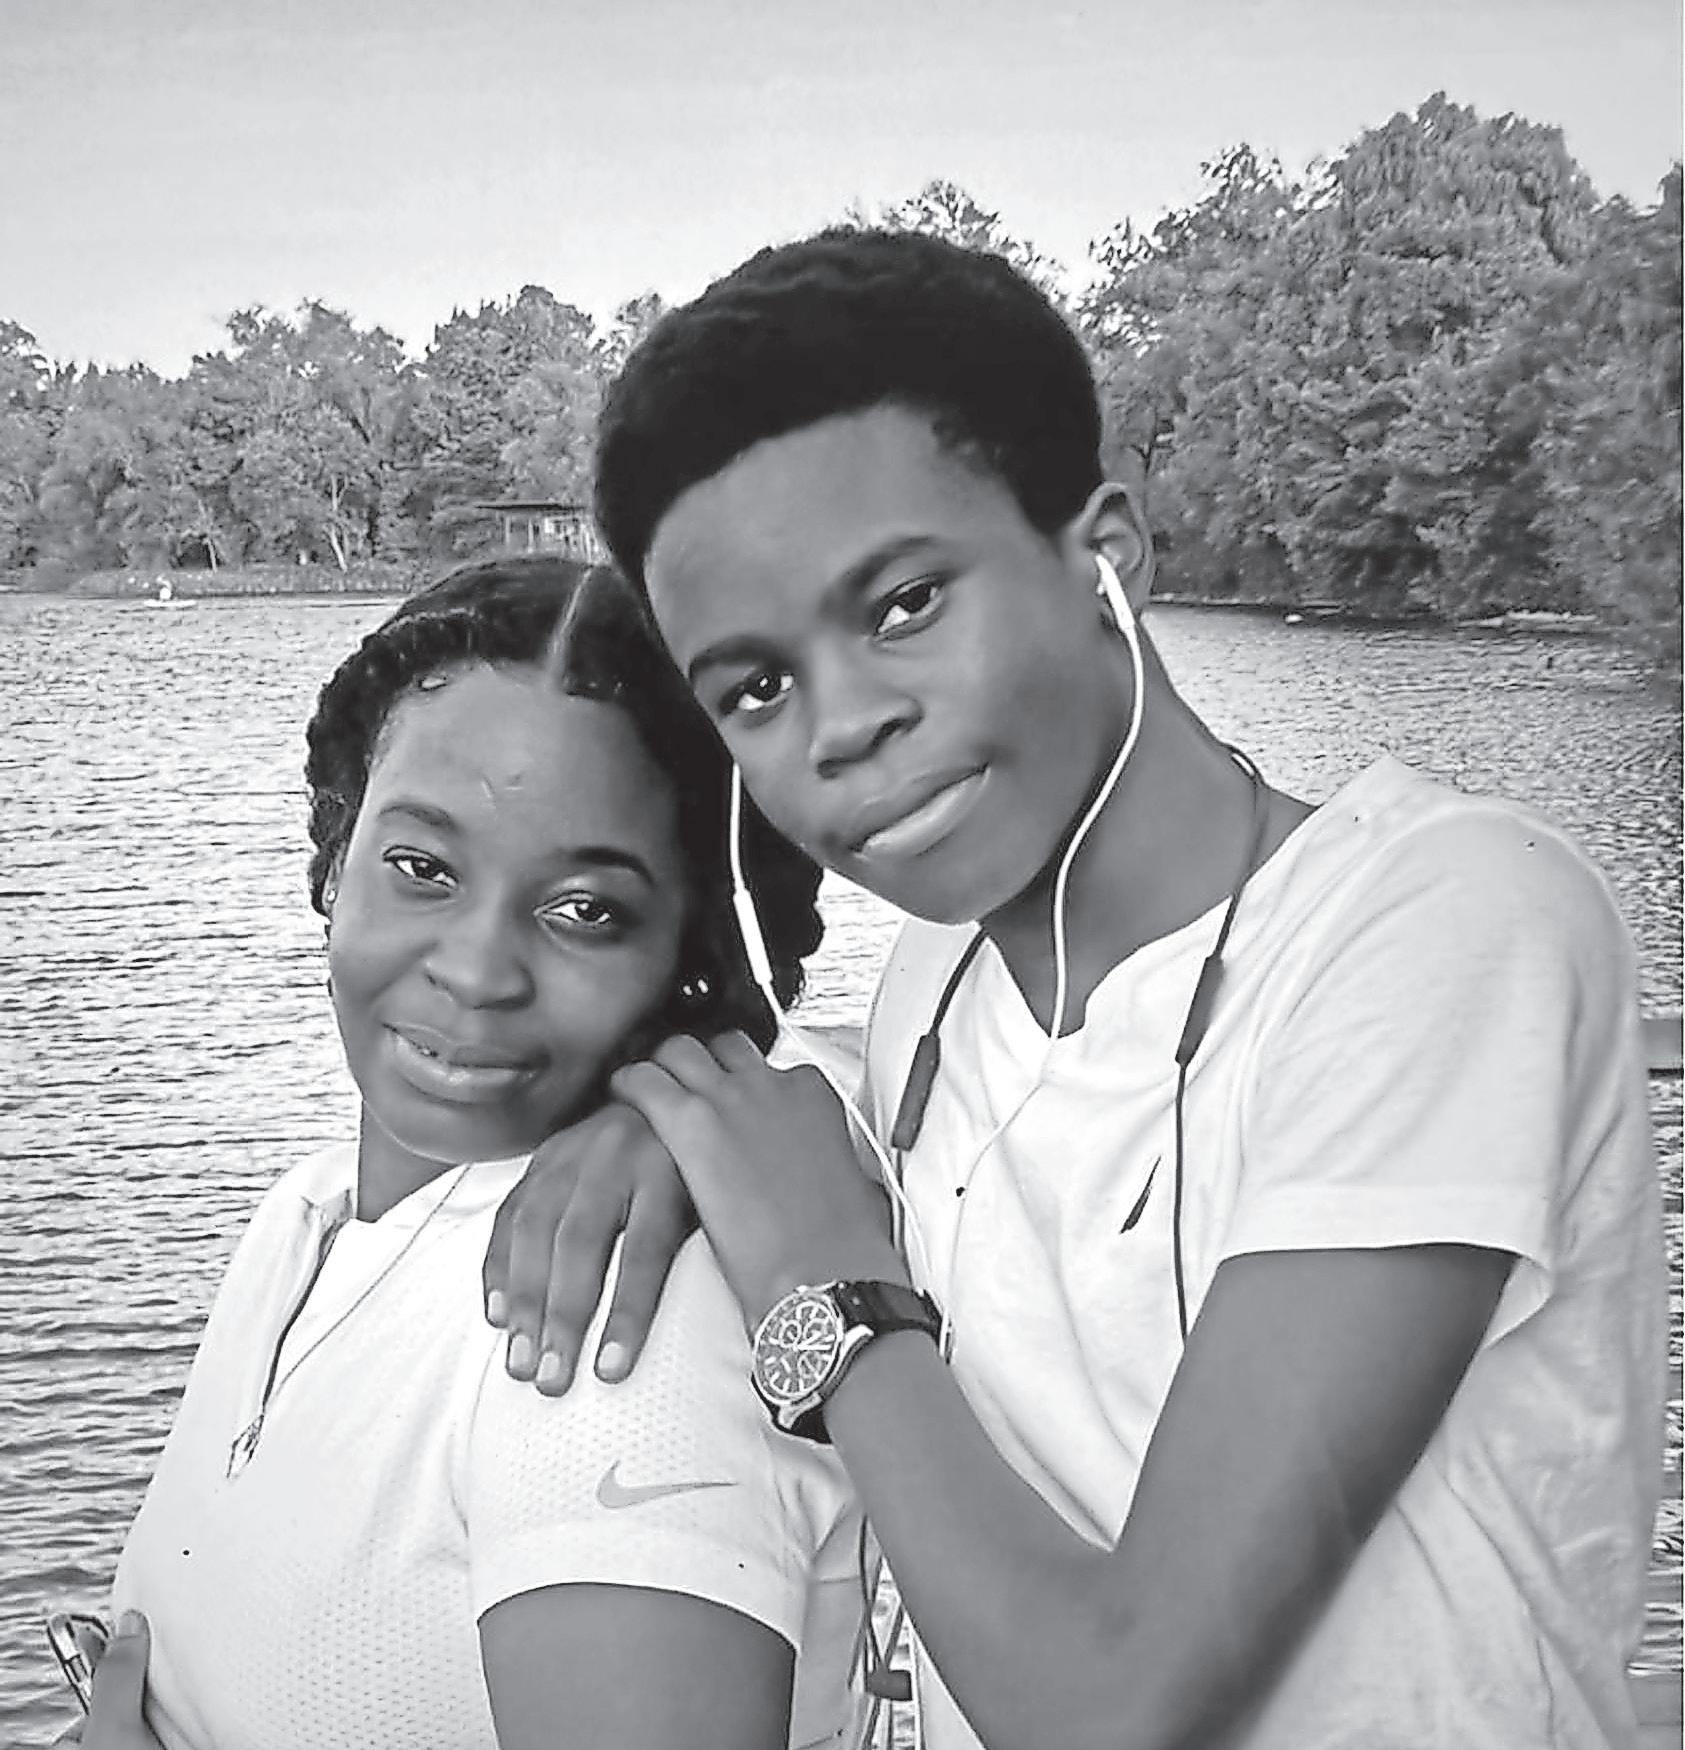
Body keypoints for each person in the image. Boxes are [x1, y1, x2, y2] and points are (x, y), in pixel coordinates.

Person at [482, 230, 1668, 1750]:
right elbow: (836, 1119)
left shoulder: (1435, 921)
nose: (841, 725)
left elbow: (1116, 1705)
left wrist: (827, 1293)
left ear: (1109, 552)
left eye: (903, 603)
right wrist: (661, 1113)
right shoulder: (936, 986)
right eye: (757, 688)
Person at [74, 556, 867, 1750]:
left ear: (694, 952)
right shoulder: (308, 1216)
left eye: (586, 909)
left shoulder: (609, 1319)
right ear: (335, 849)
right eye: (422, 868)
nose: (477, 969)